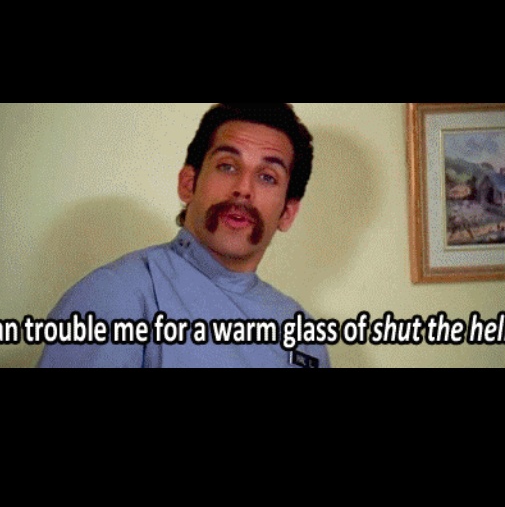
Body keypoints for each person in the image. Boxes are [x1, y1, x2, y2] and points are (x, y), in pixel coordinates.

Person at [38, 103, 331, 368]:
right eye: (227, 166)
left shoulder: (303, 335)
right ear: (188, 184)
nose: (243, 188)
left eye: (267, 177)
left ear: (287, 213)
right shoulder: (117, 295)